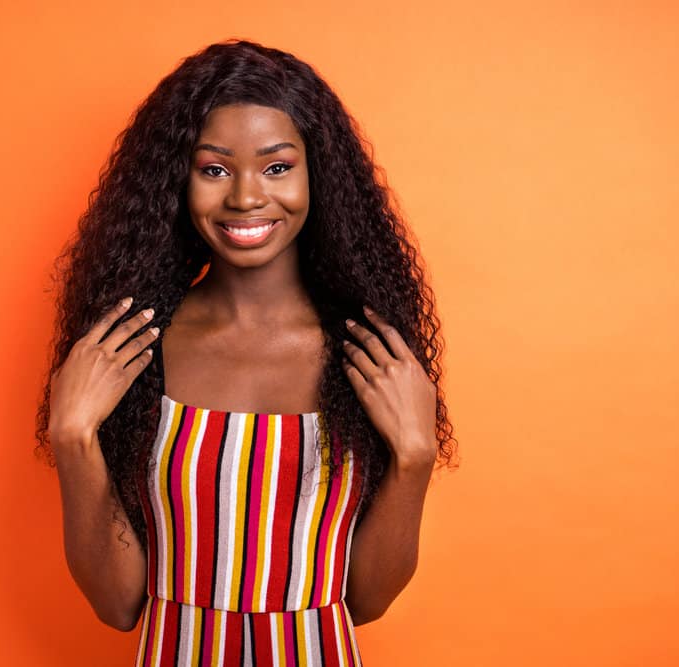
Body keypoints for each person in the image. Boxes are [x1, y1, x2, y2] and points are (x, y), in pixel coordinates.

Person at [36, 38, 459, 665]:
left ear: (320, 175)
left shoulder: (367, 354)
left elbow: (366, 600)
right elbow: (118, 604)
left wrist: (415, 457)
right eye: (213, 169)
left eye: (277, 166)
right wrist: (72, 436)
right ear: (175, 182)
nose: (244, 198)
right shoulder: (133, 348)